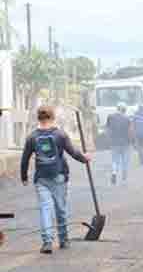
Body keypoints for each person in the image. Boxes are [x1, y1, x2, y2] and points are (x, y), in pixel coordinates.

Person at [20, 105, 92, 254]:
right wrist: (85, 159)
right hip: (58, 176)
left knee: (45, 209)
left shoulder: (32, 137)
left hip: (41, 178)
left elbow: (25, 159)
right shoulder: (60, 135)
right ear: (53, 117)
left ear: (38, 118)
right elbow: (73, 152)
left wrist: (24, 177)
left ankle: (47, 242)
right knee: (60, 208)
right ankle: (63, 239)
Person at [106, 103, 133, 185]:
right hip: (125, 143)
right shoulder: (127, 119)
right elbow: (130, 131)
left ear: (117, 108)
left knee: (115, 160)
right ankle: (124, 179)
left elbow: (108, 129)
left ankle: (114, 172)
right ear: (124, 110)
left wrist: (109, 140)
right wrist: (132, 141)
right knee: (125, 161)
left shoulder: (110, 117)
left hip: (114, 143)